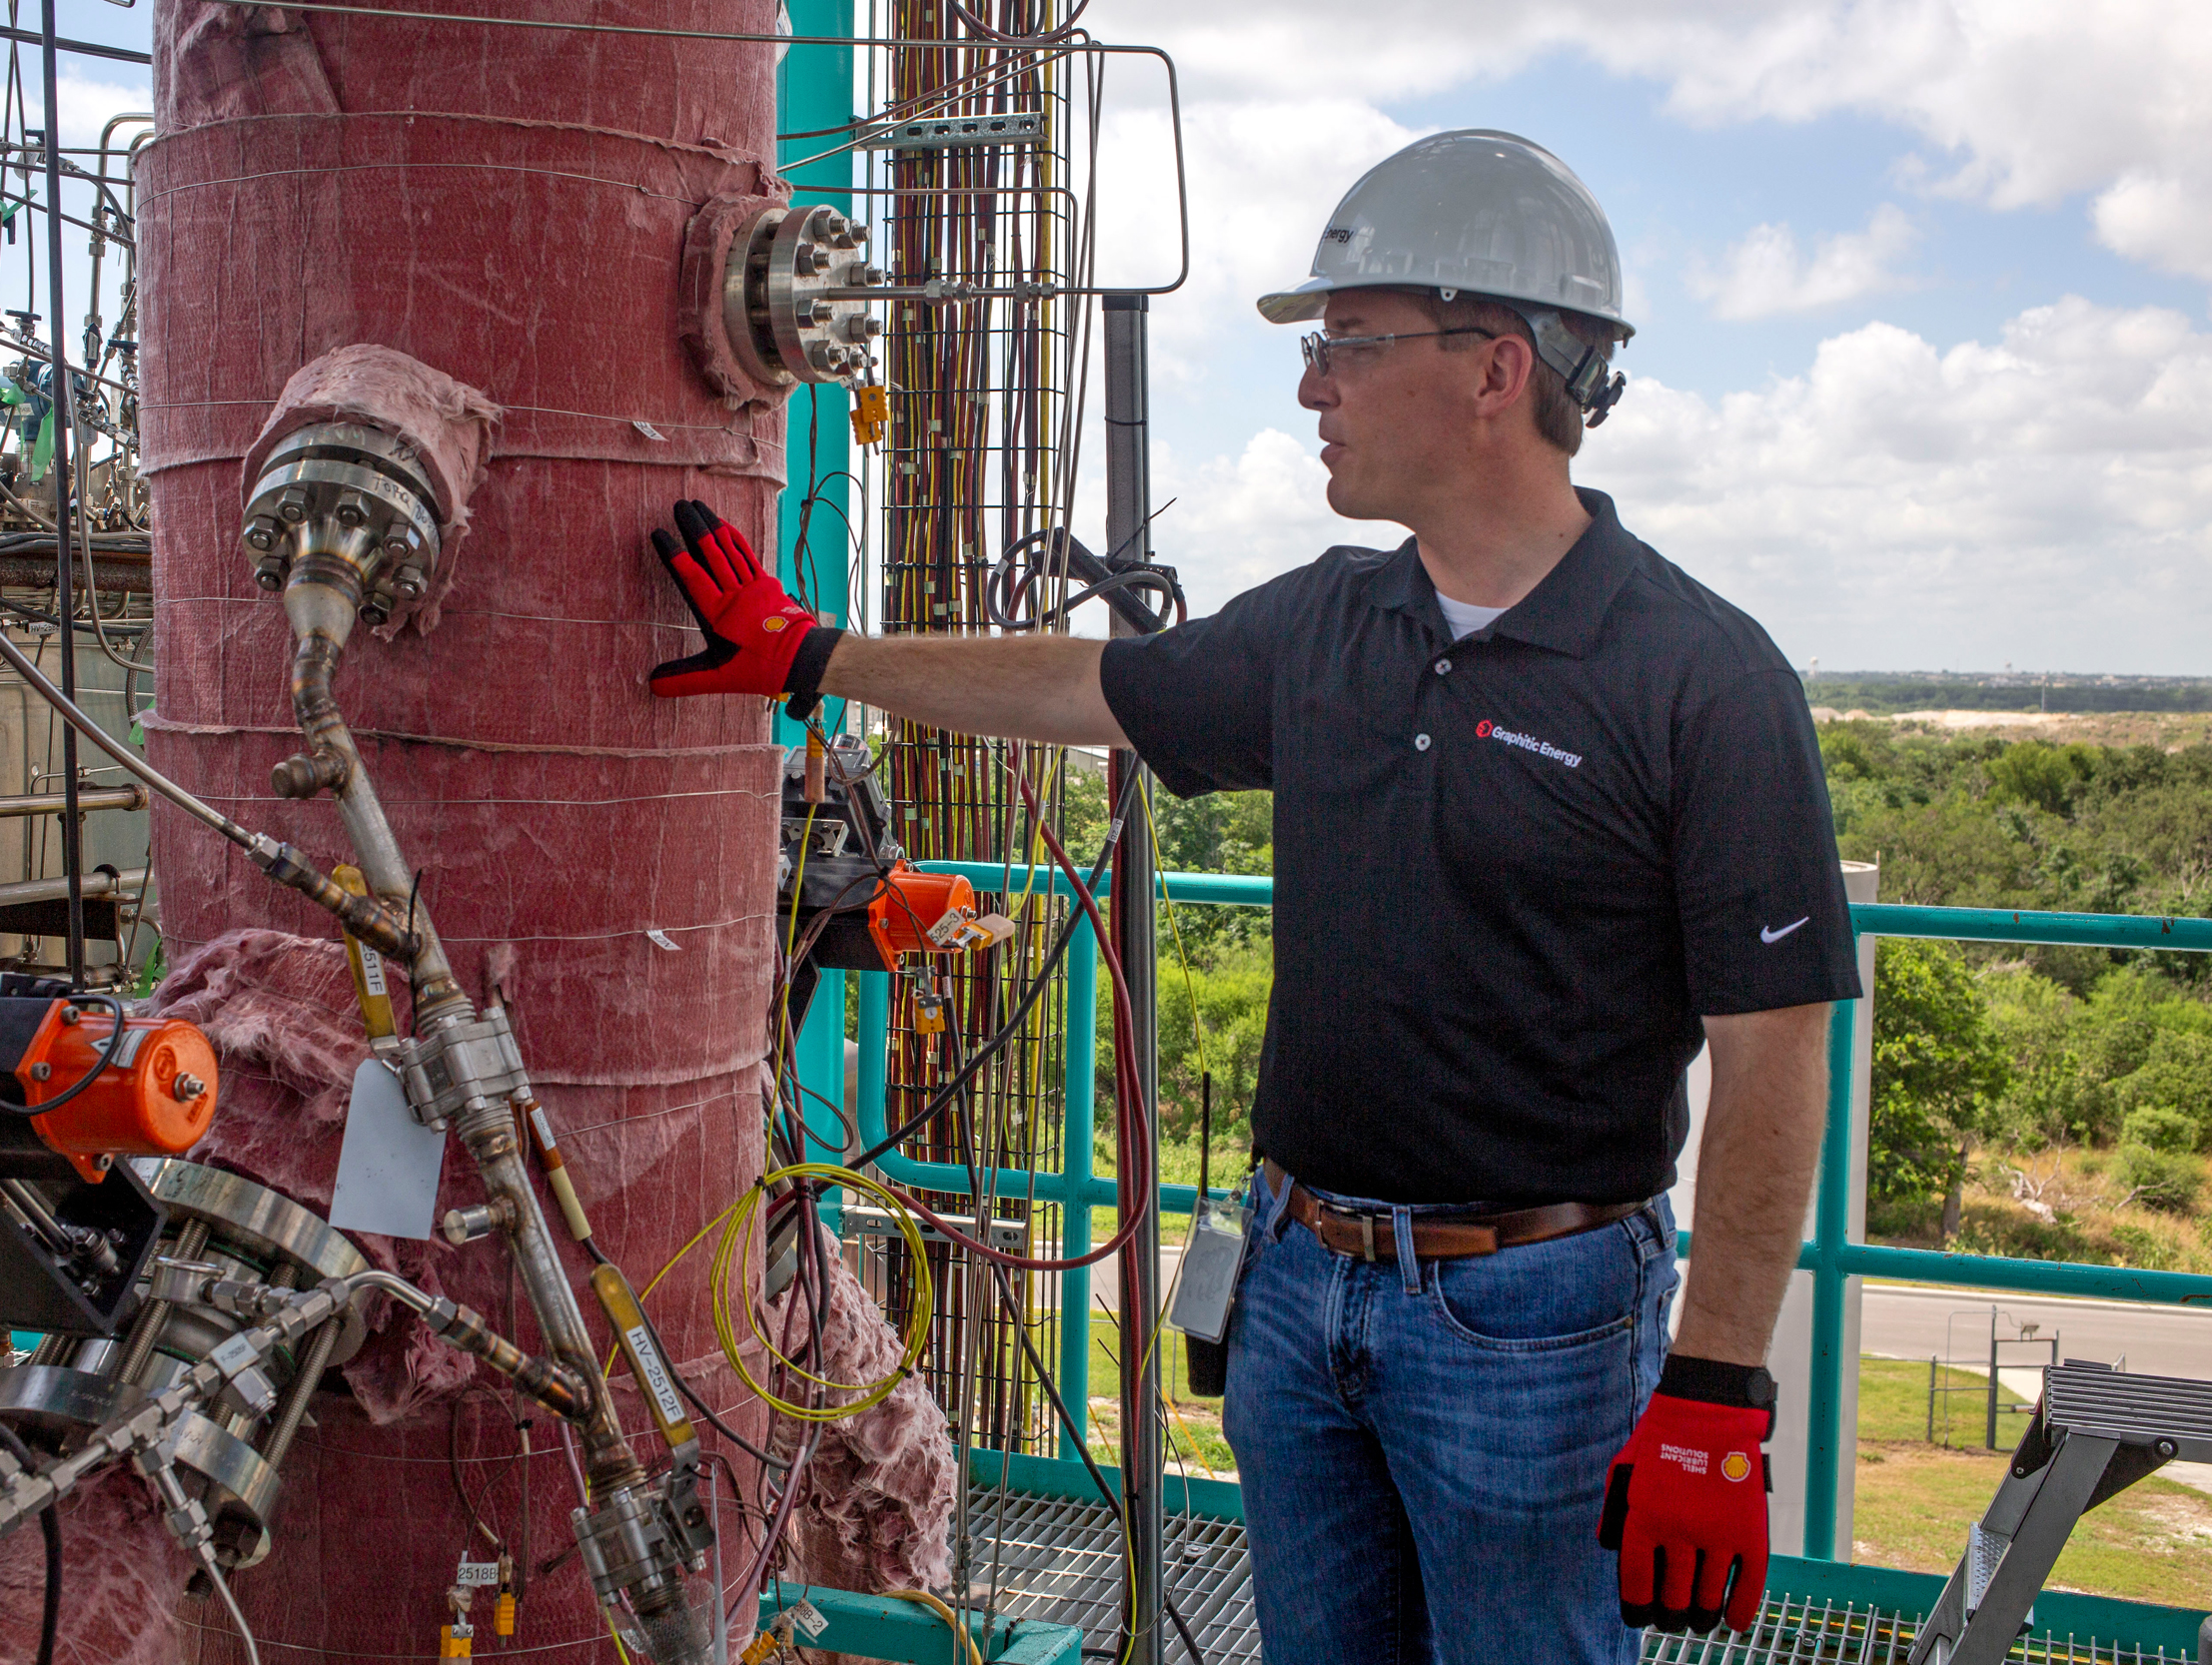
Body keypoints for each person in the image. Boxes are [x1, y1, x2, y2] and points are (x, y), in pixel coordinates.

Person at [641, 129, 1858, 1665]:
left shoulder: (1699, 677)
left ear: (1497, 369)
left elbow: (1776, 1053)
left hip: (1534, 1326)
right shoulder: (1334, 625)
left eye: (1349, 343)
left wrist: (1718, 1391)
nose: (1311, 388)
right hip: (1298, 1287)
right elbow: (1090, 684)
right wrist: (818, 657)